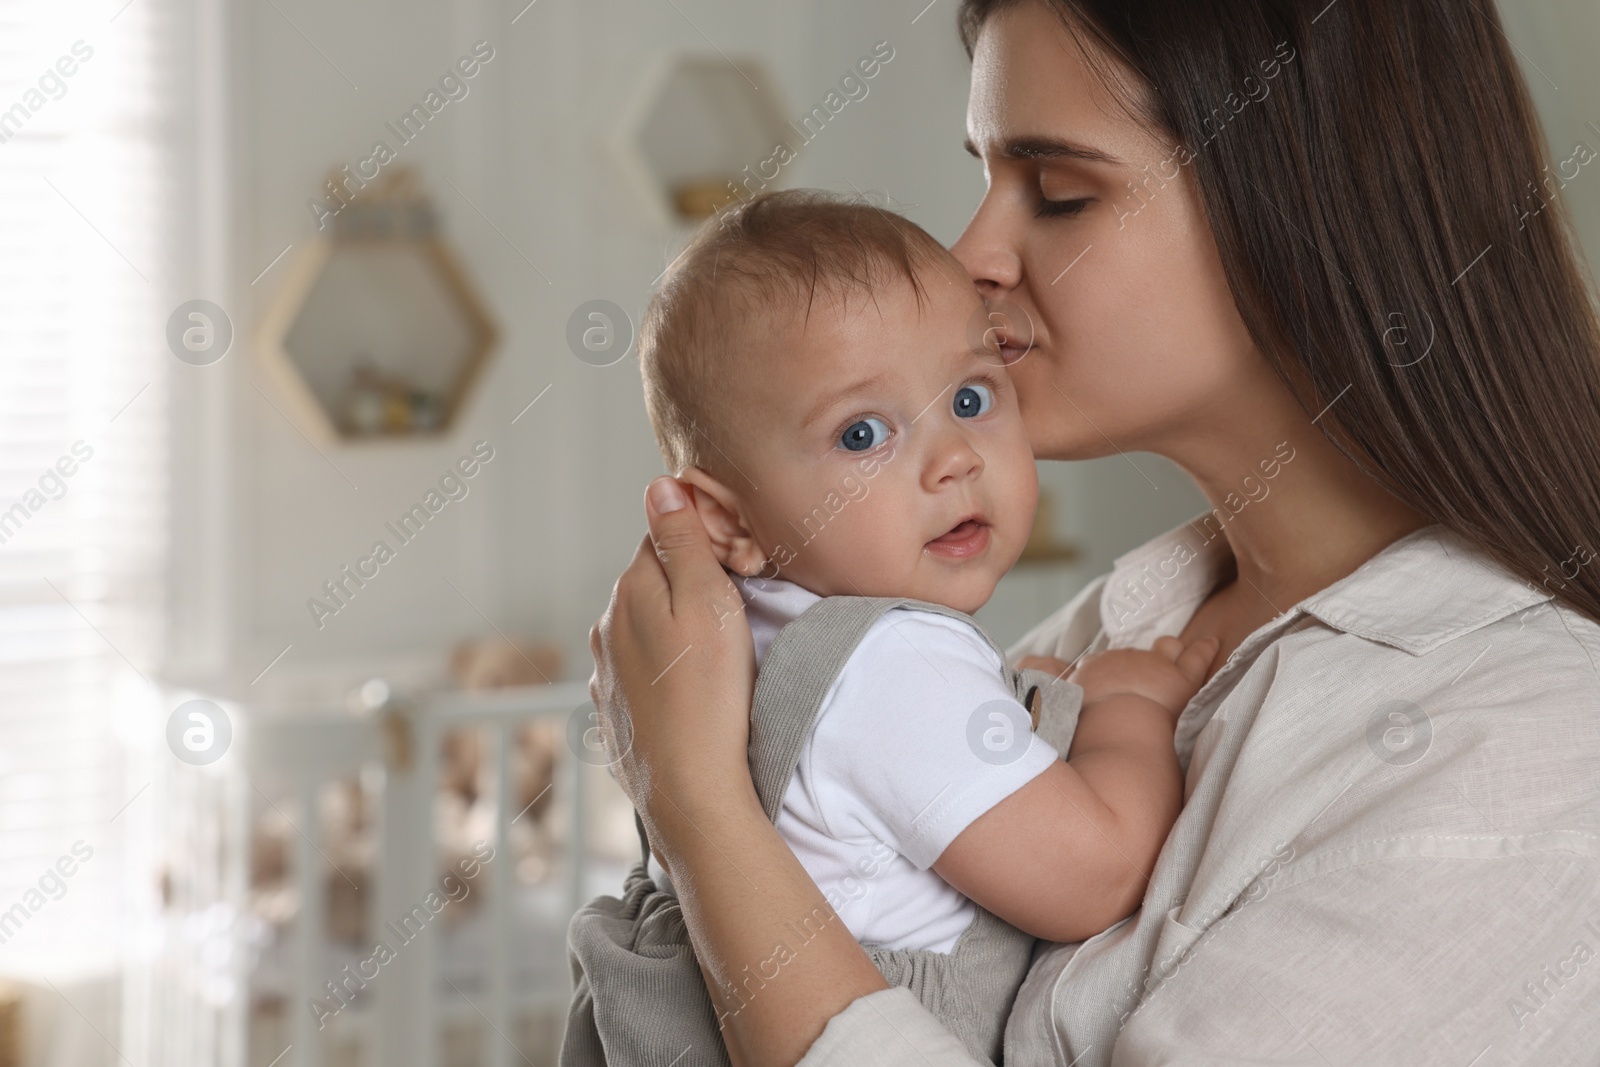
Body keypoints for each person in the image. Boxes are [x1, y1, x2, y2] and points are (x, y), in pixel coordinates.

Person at [587, 0, 1600, 1063]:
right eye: (983, 177)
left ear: (1308, 204)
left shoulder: (1526, 753)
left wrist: (698, 807)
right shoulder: (1092, 630)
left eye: (1059, 194)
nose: (972, 254)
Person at [564, 190, 1219, 1065]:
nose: (953, 457)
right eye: (864, 431)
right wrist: (1130, 707)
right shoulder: (893, 661)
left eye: (974, 396)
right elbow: (1095, 874)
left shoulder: (767, 643)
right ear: (729, 525)